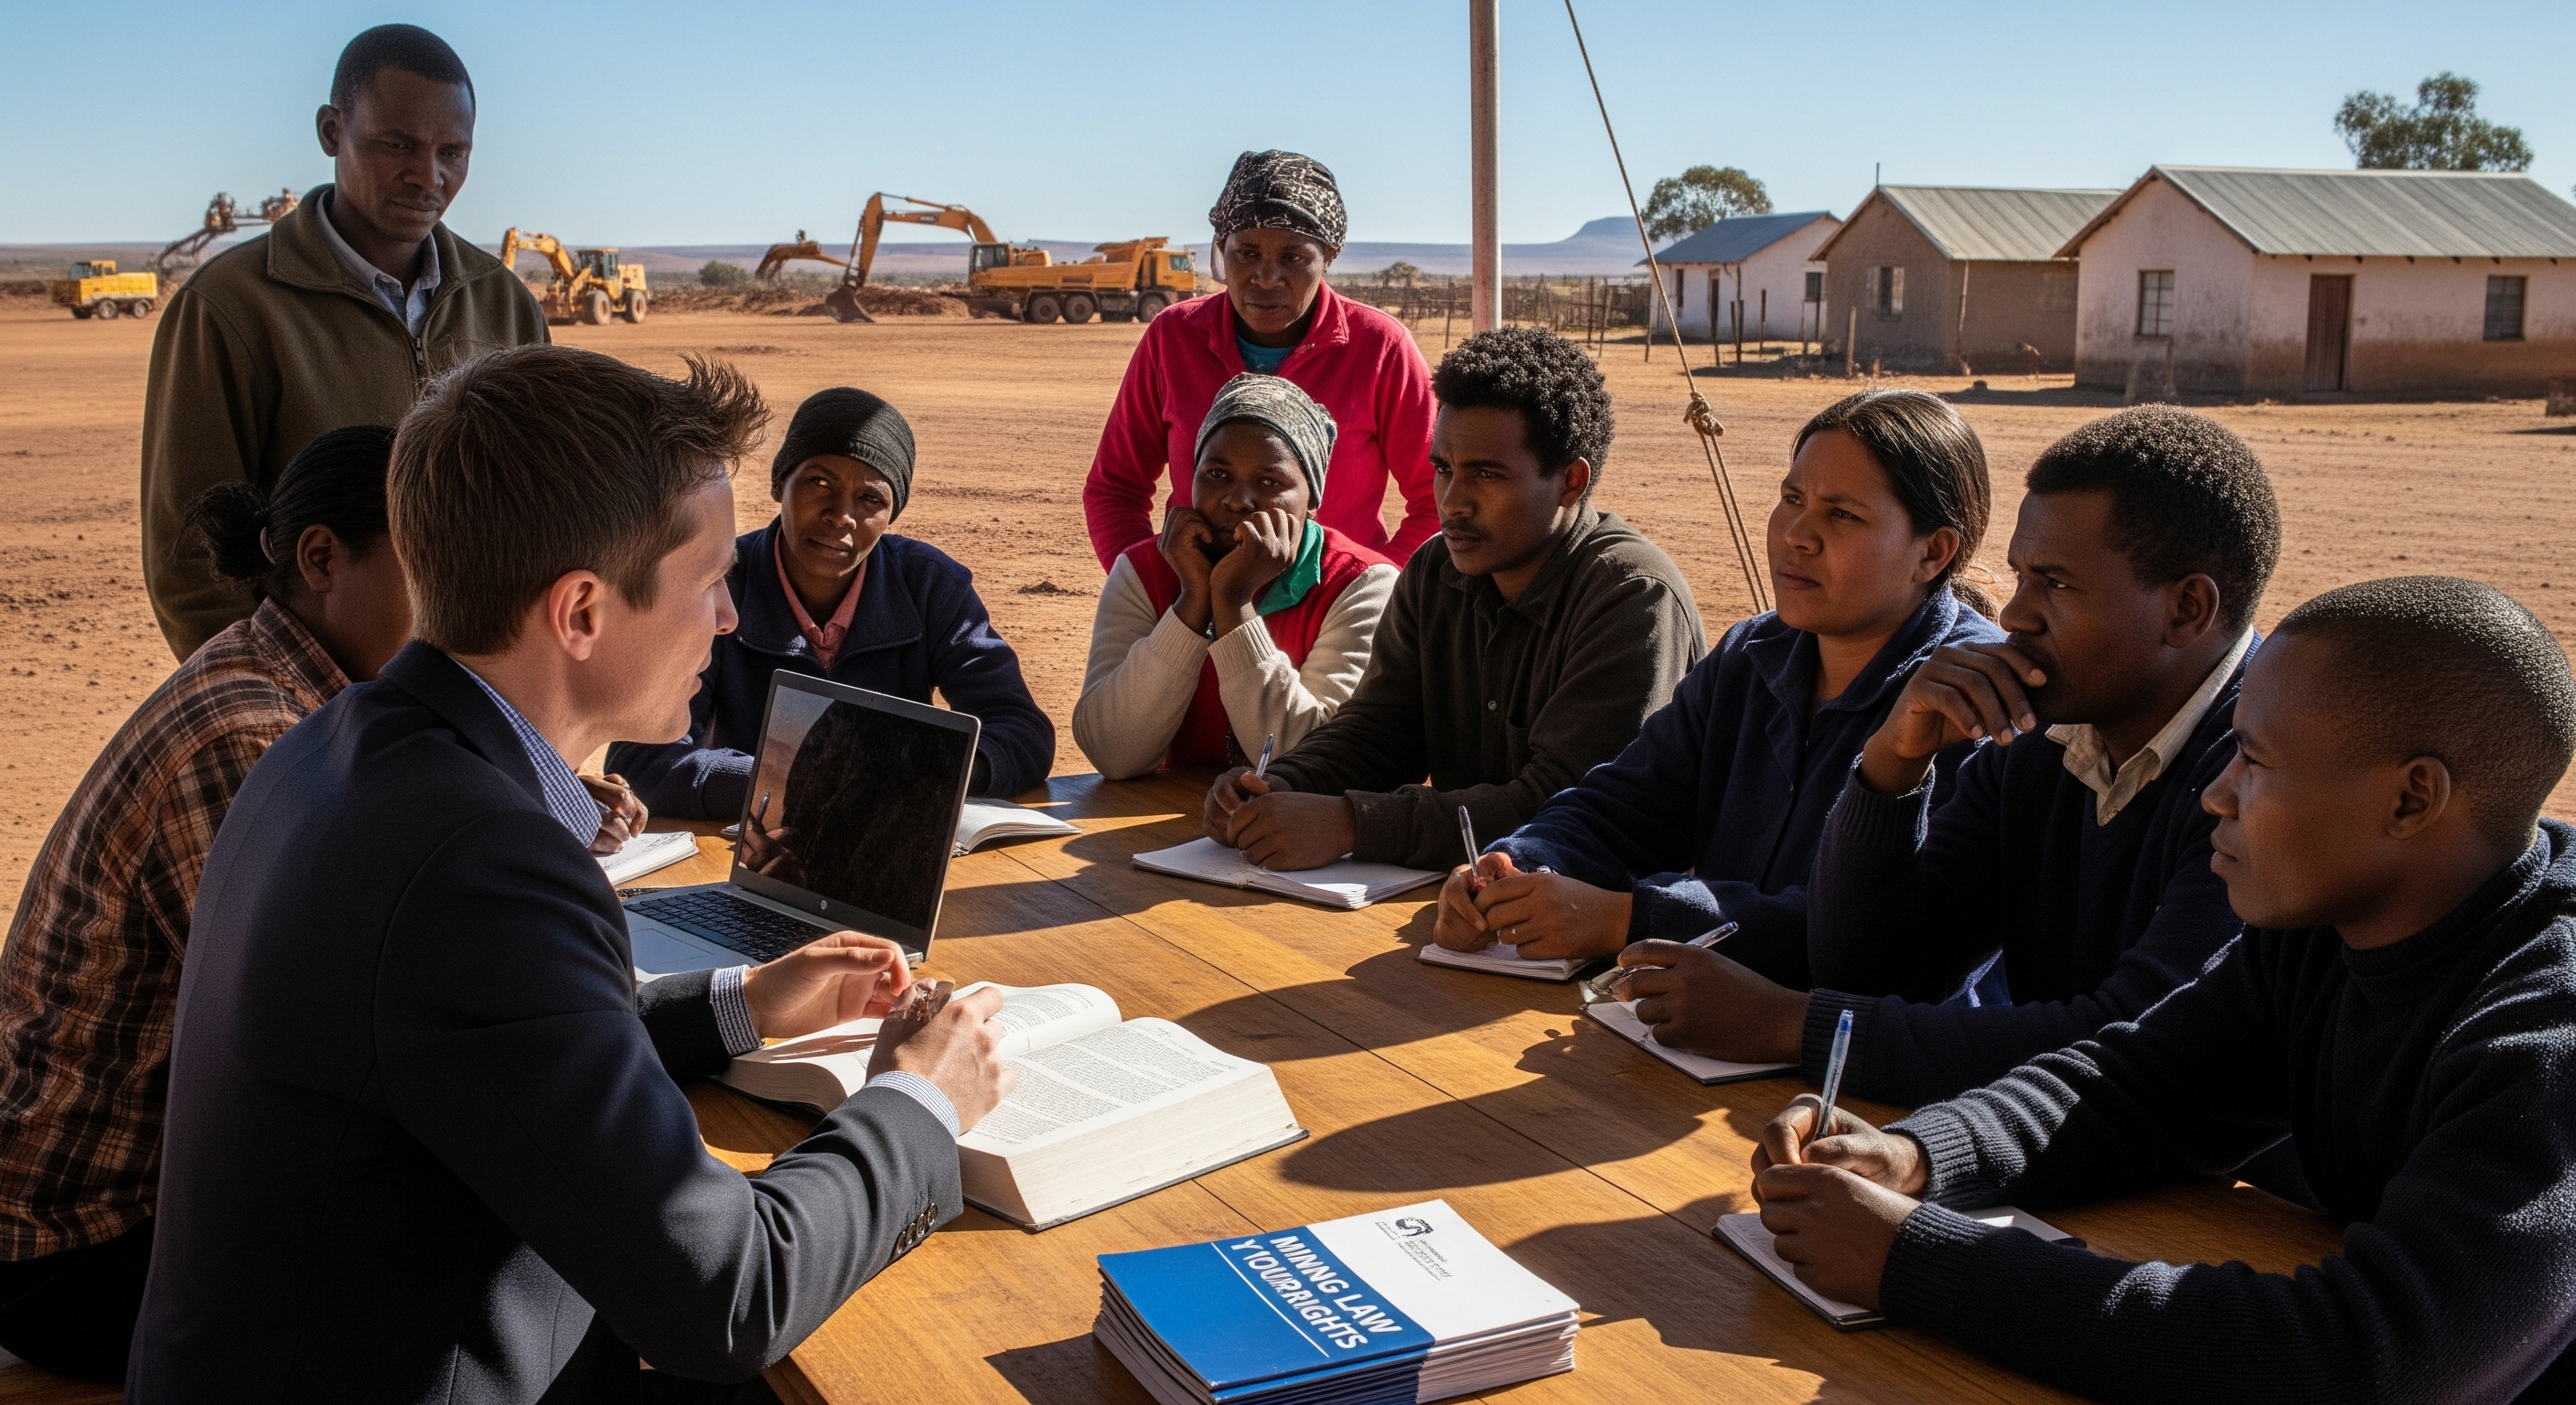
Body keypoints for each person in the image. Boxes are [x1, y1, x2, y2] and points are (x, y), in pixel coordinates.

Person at [130, 348, 1014, 1401]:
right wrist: (921, 1102)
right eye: (709, 584)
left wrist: (739, 1002)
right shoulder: (480, 865)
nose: (729, 622)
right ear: (582, 612)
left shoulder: (346, 742)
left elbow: (487, 1049)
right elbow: (728, 1297)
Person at [1750, 575, 2576, 1403]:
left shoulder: (2548, 1034)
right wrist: (1918, 1155)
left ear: (2411, 798)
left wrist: (1923, 1262)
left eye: (2253, 762)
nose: (2217, 793)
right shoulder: (2331, 927)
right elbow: (2138, 1090)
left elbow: (2373, 1358)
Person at [1598, 406, 2279, 1108]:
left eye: (2058, 584)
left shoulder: (2265, 773)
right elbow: (1879, 971)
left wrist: (1793, 1025)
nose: (2015, 616)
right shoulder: (2043, 739)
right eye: (2019, 578)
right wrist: (1891, 769)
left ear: (2188, 609)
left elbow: (2133, 1041)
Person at [0, 427, 423, 1382]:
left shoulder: (290, 684)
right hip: (79, 1248)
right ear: (321, 559)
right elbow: (327, 1040)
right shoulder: (250, 734)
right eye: (432, 569)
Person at [1434, 389, 2003, 983]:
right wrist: (1518, 866)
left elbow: (1876, 941)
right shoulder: (1753, 655)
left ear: (1933, 553)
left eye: (1842, 514)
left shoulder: (1968, 701)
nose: (1796, 535)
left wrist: (1633, 919)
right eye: (1792, 499)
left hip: (1853, 1065)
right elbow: (1624, 808)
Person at [1205, 326, 1705, 872]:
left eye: (1487, 474)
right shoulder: (1436, 571)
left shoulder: (1631, 596)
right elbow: (1378, 732)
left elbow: (1569, 806)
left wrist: (1354, 822)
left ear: (1570, 481)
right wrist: (1280, 784)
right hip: (1467, 904)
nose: (1454, 502)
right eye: (1443, 469)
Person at [141, 24, 547, 661]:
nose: (428, 175)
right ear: (332, 131)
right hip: (312, 713)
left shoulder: (506, 304)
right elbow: (192, 565)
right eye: (397, 144)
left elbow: (536, 518)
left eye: (454, 153)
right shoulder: (229, 308)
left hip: (471, 703)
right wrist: (295, 728)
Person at [607, 387, 1055, 820]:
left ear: (891, 516)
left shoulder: (928, 585)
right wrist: (798, 782)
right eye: (819, 483)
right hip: (746, 853)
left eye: (870, 499)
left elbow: (1021, 729)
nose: (841, 515)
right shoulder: (719, 588)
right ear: (780, 483)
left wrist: (934, 771)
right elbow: (642, 759)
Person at [1082, 150, 1437, 573]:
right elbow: (1114, 489)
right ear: (1221, 251)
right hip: (1194, 612)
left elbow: (1437, 499)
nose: (1266, 278)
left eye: (1293, 258)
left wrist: (1373, 598)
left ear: (1328, 256)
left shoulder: (1381, 347)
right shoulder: (1173, 337)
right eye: (1246, 253)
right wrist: (1153, 587)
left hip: (1336, 622)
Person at [1073, 373, 1397, 778]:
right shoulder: (1144, 570)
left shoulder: (1360, 584)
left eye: (1269, 482)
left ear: (1312, 498)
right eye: (1217, 474)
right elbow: (1112, 753)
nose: (1237, 500)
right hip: (1156, 823)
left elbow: (1317, 763)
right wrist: (1193, 599)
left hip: (1293, 833)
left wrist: (1233, 601)